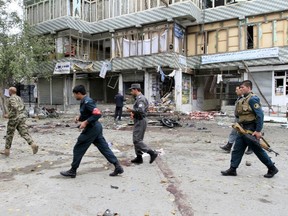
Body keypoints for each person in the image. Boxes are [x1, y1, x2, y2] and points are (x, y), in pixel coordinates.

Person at [60, 85, 124, 178]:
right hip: (95, 128)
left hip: (92, 128)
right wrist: (80, 118)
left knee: (78, 147)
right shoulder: (84, 101)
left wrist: (85, 122)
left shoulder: (88, 101)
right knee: (104, 148)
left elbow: (97, 114)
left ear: (78, 93)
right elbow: (88, 114)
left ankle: (73, 170)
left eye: (74, 94)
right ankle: (117, 166)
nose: (74, 96)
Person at [221, 80, 278, 178]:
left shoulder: (252, 99)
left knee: (258, 150)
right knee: (237, 149)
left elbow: (260, 115)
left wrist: (258, 131)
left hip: (250, 129)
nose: (241, 89)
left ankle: (272, 168)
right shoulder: (243, 99)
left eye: (242, 87)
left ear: (249, 88)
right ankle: (233, 169)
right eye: (240, 87)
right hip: (242, 129)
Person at [126, 83, 158, 164]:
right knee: (137, 140)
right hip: (138, 120)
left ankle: (152, 153)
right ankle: (139, 157)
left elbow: (141, 110)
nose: (131, 92)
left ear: (136, 90)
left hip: (140, 120)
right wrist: (133, 113)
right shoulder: (138, 98)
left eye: (132, 90)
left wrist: (131, 110)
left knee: (137, 140)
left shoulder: (141, 99)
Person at [1, 87, 38, 156]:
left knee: (9, 134)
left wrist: (9, 115)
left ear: (10, 92)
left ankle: (7, 151)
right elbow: (22, 107)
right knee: (24, 132)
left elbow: (15, 108)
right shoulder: (19, 98)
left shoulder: (11, 98)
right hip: (22, 117)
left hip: (14, 118)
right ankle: (33, 145)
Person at [220, 85, 253, 155]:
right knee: (234, 131)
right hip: (238, 118)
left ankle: (251, 148)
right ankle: (229, 145)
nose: (235, 91)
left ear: (241, 90)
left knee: (248, 133)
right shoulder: (239, 98)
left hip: (244, 119)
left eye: (237, 89)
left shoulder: (247, 99)